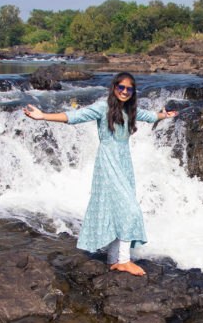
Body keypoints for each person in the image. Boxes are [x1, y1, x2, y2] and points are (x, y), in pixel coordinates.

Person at [23, 72, 177, 276]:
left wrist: (163, 115)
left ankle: (114, 259)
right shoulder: (101, 108)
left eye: (128, 89)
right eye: (121, 87)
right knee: (130, 210)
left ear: (132, 92)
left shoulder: (130, 110)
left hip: (124, 165)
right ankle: (124, 260)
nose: (124, 91)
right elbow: (74, 117)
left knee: (118, 209)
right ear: (114, 88)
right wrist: (43, 116)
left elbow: (149, 116)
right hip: (107, 164)